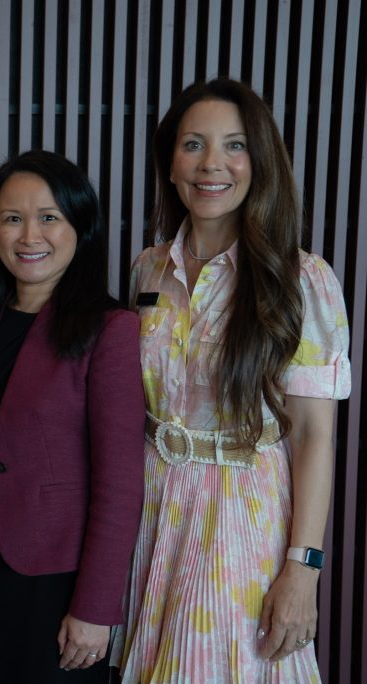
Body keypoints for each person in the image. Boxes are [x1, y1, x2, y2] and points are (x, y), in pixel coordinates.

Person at [114, 78, 352, 682]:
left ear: (259, 162)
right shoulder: (148, 267)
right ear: (170, 165)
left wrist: (304, 568)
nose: (212, 164)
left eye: (234, 146)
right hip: (152, 510)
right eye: (193, 144)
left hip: (244, 520)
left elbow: (313, 436)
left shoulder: (301, 279)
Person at [0, 150, 145, 682]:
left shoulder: (110, 329)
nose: (30, 235)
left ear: (81, 225)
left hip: (55, 580)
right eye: (12, 219)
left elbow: (120, 484)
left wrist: (97, 608)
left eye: (48, 217)